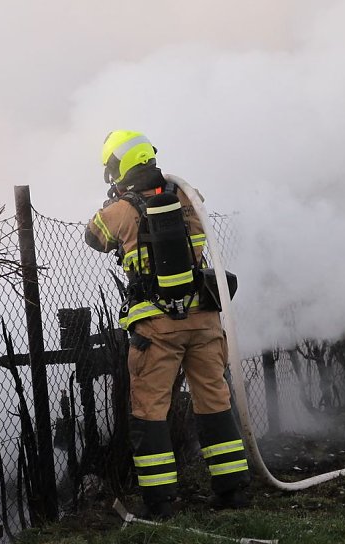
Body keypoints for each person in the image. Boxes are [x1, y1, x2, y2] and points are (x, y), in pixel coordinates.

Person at [84, 130, 250, 518]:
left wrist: (116, 202)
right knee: (215, 401)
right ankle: (233, 492)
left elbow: (94, 237)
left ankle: (162, 502)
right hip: (204, 319)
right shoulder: (187, 197)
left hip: (156, 328)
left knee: (150, 411)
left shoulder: (121, 211)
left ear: (118, 166)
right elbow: (202, 216)